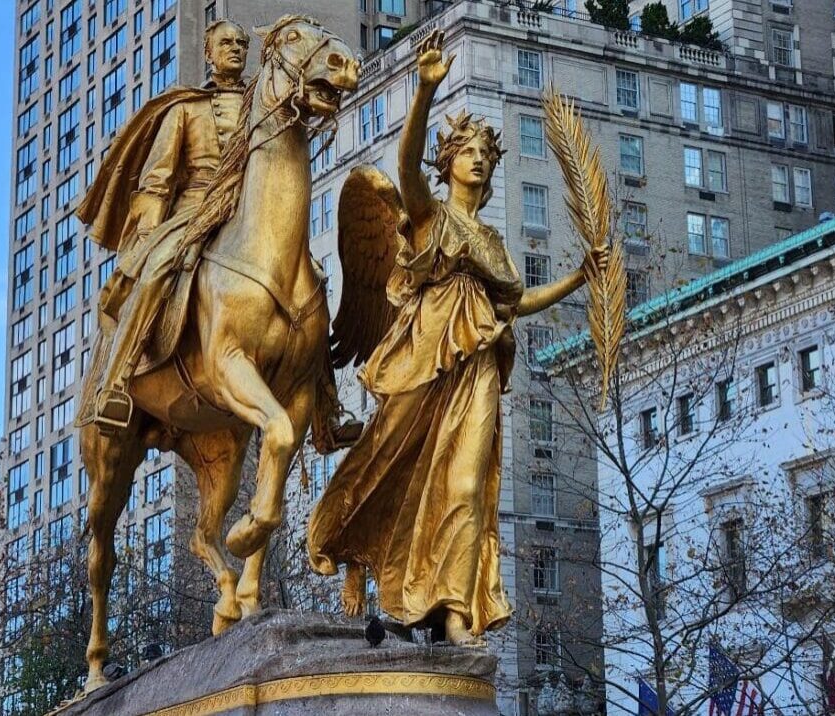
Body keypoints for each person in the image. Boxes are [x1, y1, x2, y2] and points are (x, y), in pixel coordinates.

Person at [307, 31, 607, 646]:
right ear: (447, 164)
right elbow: (403, 163)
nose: (477, 159)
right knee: (386, 460)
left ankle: (455, 613)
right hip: (425, 365)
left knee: (468, 487)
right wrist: (423, 88)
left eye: (484, 155)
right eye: (467, 151)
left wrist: (579, 276)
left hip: (477, 372)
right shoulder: (428, 217)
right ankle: (358, 551)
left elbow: (515, 303)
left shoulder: (493, 244)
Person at [77, 19, 360, 450]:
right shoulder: (184, 110)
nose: (235, 48)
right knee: (159, 269)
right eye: (225, 42)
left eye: (242, 42)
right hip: (190, 215)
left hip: (242, 214)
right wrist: (149, 236)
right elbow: (157, 181)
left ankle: (326, 410)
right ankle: (117, 380)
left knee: (309, 287)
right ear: (208, 52)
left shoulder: (262, 103)